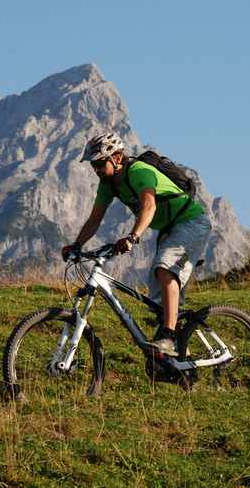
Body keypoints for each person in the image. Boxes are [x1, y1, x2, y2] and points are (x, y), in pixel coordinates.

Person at [62, 133, 212, 355]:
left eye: (100, 163)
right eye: (93, 165)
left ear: (117, 157)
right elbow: (94, 219)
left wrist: (133, 236)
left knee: (165, 270)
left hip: (191, 222)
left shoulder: (139, 171)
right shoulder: (107, 184)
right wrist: (76, 245)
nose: (96, 169)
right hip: (170, 229)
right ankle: (179, 362)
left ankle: (168, 338)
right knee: (158, 300)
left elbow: (148, 206)